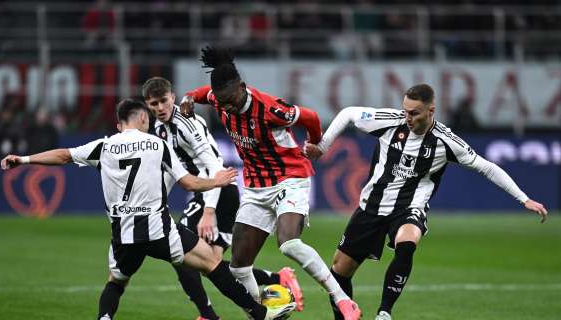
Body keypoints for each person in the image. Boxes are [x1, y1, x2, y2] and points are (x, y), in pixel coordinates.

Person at [0, 98, 296, 320]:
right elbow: (189, 183)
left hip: (123, 235)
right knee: (212, 265)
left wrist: (24, 160)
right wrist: (215, 181)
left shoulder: (105, 146)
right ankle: (259, 313)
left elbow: (64, 155)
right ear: (143, 117)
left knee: (116, 283)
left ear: (119, 124)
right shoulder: (158, 145)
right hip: (159, 230)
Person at [303, 83, 549, 320]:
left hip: (410, 207)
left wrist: (523, 199)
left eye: (414, 113)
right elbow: (349, 113)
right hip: (372, 206)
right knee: (339, 271)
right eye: (405, 111)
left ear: (431, 111)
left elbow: (487, 167)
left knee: (407, 241)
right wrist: (323, 147)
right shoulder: (390, 120)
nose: (407, 117)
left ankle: (384, 312)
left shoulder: (446, 141)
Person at [180, 46, 361, 320]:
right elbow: (201, 94)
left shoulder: (270, 109)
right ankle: (263, 314)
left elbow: (310, 117)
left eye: (229, 99)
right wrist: (187, 99)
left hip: (290, 178)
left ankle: (343, 300)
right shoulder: (218, 98)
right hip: (255, 188)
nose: (225, 106)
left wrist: (315, 144)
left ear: (241, 87)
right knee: (238, 268)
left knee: (288, 243)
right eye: (221, 101)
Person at [142, 76, 303, 320]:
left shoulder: (186, 123)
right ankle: (277, 279)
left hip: (218, 192)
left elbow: (214, 167)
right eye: (153, 104)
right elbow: (170, 170)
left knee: (180, 253)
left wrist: (208, 211)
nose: (160, 108)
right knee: (212, 263)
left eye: (163, 101)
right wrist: (159, 201)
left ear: (172, 97)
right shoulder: (158, 129)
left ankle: (207, 315)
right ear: (147, 105)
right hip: (209, 192)